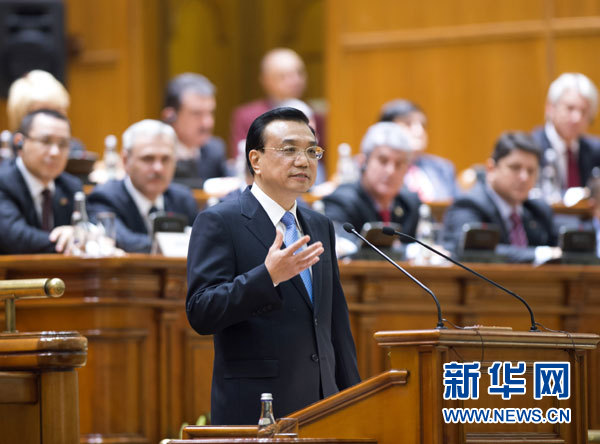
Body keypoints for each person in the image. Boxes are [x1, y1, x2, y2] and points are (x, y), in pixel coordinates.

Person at [186, 107, 360, 425]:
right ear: (255, 160)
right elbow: (201, 311)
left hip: (322, 405)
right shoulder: (220, 221)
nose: (303, 161)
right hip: (257, 408)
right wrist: (267, 278)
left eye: (312, 151)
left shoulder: (319, 225)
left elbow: (335, 323)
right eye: (289, 149)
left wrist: (354, 401)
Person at [443, 131, 558, 263]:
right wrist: (543, 253)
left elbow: (563, 251)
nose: (524, 178)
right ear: (491, 169)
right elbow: (476, 252)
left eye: (531, 171)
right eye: (515, 168)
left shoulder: (539, 210)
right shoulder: (468, 205)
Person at [87, 119, 198, 253]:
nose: (158, 168)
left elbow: (201, 244)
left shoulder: (183, 199)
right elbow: (122, 241)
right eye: (148, 158)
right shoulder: (104, 197)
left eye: (166, 159)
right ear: (125, 161)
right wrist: (178, 244)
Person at [0, 109, 81, 254]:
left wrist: (79, 232)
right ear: (19, 143)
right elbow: (14, 238)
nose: (55, 152)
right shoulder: (3, 182)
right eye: (45, 141)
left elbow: (93, 225)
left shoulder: (71, 186)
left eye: (63, 144)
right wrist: (73, 241)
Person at [322, 122, 421, 237]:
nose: (390, 171)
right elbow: (339, 243)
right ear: (363, 162)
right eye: (383, 161)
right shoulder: (341, 201)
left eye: (399, 164)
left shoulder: (410, 203)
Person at [230, 48, 326, 154]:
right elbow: (243, 158)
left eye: (299, 73)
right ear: (266, 80)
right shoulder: (247, 117)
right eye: (284, 76)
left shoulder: (316, 117)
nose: (296, 80)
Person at [532, 72, 600, 199]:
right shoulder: (532, 148)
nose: (577, 118)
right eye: (570, 108)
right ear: (550, 108)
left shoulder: (596, 150)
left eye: (584, 111)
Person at [379, 99, 458, 202]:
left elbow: (458, 207)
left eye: (423, 125)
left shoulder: (442, 168)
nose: (419, 131)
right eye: (408, 124)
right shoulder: (376, 168)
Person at [161, 73, 229, 188]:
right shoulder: (154, 155)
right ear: (170, 116)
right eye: (197, 114)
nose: (207, 123)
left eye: (210, 113)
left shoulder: (215, 150)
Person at [6, 70, 85, 156]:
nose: (51, 120)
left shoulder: (74, 149)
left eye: (56, 112)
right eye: (43, 113)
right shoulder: (5, 149)